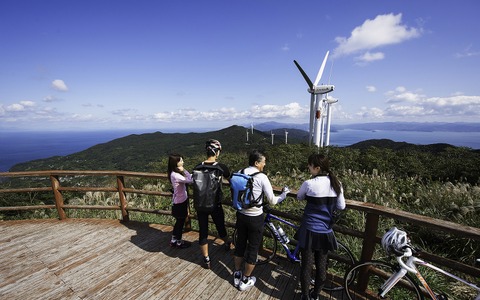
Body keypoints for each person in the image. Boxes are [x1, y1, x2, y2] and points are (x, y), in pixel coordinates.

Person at [233, 149, 290, 291]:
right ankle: (245, 280)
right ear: (256, 162)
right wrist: (284, 194)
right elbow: (272, 201)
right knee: (253, 249)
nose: (264, 165)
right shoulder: (261, 177)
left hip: (241, 214)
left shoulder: (240, 172)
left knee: (240, 245)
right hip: (255, 217)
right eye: (263, 162)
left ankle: (237, 274)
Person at [296, 154, 346, 300]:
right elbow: (341, 206)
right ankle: (316, 295)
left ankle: (305, 296)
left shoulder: (309, 183)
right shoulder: (337, 184)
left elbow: (299, 197)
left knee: (306, 266)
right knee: (322, 266)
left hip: (309, 230)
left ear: (317, 168)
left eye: (310, 165)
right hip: (325, 231)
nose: (308, 167)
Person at [194, 139, 231, 269]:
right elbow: (231, 180)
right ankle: (227, 243)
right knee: (220, 227)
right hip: (215, 204)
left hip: (200, 204)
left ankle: (206, 258)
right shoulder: (221, 167)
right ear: (217, 152)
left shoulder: (197, 167)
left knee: (203, 231)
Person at [167, 153, 193, 248]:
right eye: (181, 160)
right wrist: (185, 170)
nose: (183, 162)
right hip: (180, 202)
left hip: (178, 201)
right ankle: (178, 242)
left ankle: (174, 240)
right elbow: (190, 180)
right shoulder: (176, 175)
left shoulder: (173, 174)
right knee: (180, 222)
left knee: (178, 222)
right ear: (176, 163)